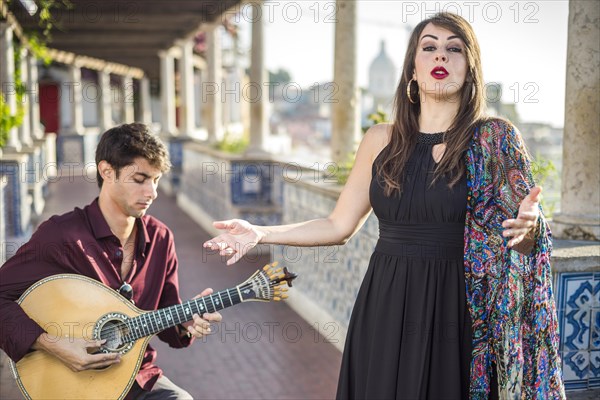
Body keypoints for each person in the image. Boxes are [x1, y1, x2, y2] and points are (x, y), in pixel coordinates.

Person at [203, 12, 565, 399]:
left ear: (471, 69)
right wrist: (261, 232)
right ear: (412, 68)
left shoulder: (495, 139)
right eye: (429, 47)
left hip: (459, 309)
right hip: (386, 302)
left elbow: (524, 243)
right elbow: (338, 225)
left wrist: (529, 231)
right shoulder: (380, 140)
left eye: (453, 49)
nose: (440, 56)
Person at [0, 123, 222, 399]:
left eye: (156, 180)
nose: (152, 192)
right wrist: (53, 344)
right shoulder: (61, 236)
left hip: (136, 377)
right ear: (107, 171)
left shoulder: (161, 238)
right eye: (140, 179)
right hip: (72, 384)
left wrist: (185, 323)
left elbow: (167, 312)